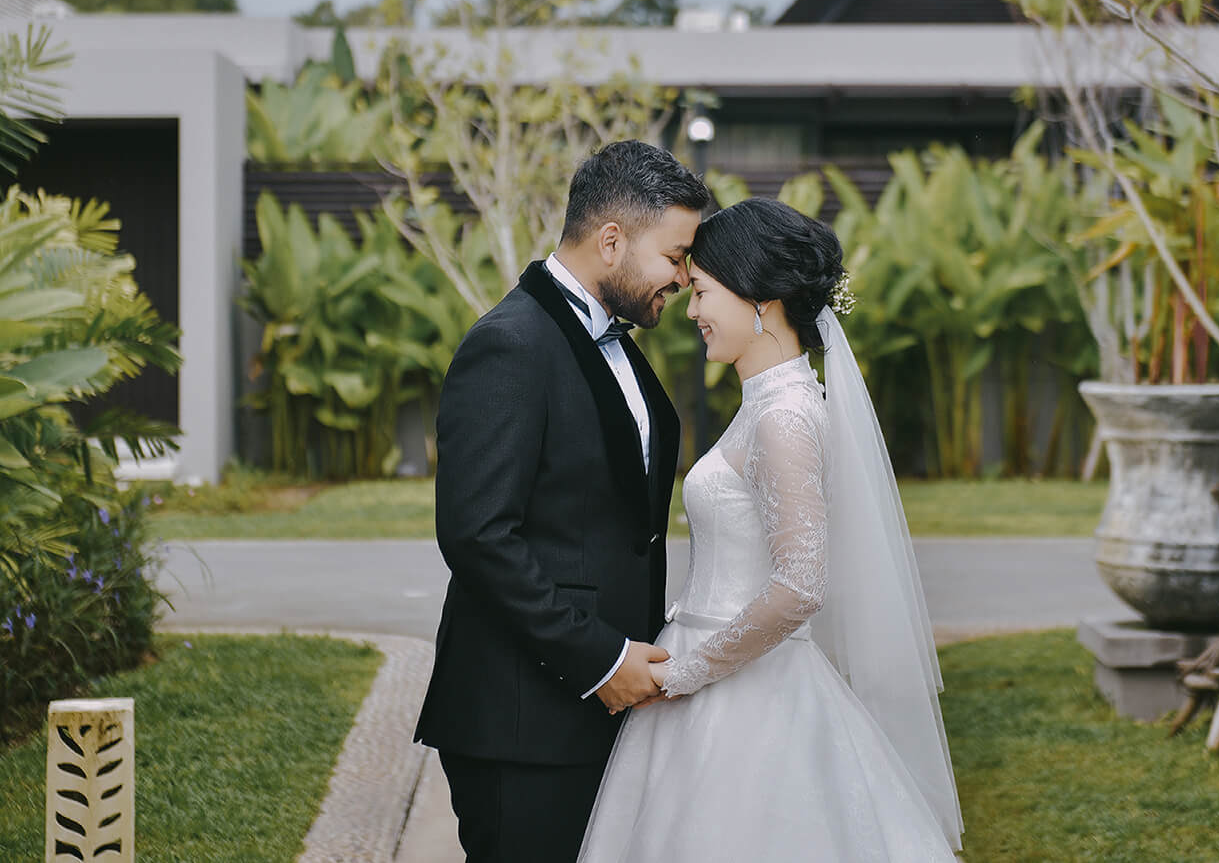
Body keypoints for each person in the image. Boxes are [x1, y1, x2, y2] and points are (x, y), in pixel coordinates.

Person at [577, 197, 964, 862]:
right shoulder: (770, 402)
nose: (692, 311)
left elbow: (799, 587)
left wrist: (685, 675)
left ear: (762, 297)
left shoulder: (783, 417)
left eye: (702, 292)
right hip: (718, 679)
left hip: (745, 705)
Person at [413, 140, 711, 863]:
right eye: (675, 257)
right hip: (522, 722)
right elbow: (479, 535)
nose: (684, 277)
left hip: (600, 710)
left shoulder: (615, 340)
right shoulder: (509, 345)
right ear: (612, 241)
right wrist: (602, 661)